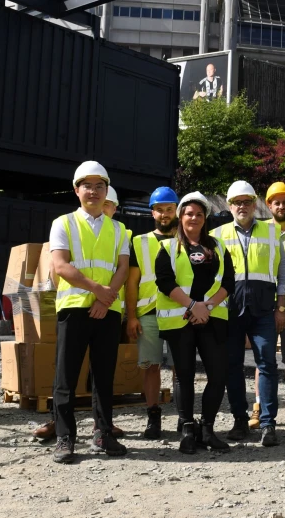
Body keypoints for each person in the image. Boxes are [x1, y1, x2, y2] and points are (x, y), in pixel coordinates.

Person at [48, 161, 130, 464]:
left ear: (106, 191)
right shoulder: (63, 223)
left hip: (107, 311)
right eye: (87, 185)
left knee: (104, 376)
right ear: (76, 190)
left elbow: (122, 268)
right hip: (74, 308)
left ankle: (103, 432)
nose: (93, 191)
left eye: (99, 186)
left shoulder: (120, 229)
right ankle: (65, 437)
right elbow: (61, 266)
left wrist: (104, 300)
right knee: (65, 375)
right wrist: (98, 290)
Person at [154, 192, 234, 454]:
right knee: (184, 376)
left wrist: (206, 307)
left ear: (205, 218)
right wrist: (192, 305)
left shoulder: (219, 247)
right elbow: (165, 282)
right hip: (181, 320)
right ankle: (188, 430)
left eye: (199, 214)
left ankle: (207, 430)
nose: (194, 218)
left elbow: (228, 283)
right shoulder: (167, 247)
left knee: (218, 375)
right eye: (189, 213)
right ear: (180, 216)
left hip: (211, 319)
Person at [215, 181, 285, 448]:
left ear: (255, 203)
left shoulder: (272, 232)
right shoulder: (217, 235)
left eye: (247, 201)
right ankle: (240, 420)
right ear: (229, 205)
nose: (242, 206)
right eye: (237, 202)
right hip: (230, 311)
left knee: (267, 365)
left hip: (263, 311)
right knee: (232, 366)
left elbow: (284, 274)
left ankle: (268, 424)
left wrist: (280, 308)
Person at [248, 182, 285, 432]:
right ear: (268, 205)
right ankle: (259, 406)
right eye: (276, 202)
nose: (281, 206)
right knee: (264, 360)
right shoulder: (259, 231)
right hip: (264, 305)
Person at [125, 186, 180, 440]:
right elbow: (132, 282)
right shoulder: (139, 242)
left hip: (180, 312)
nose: (165, 214)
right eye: (160, 210)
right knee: (151, 366)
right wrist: (132, 316)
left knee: (182, 367)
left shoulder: (186, 241)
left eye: (170, 209)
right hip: (149, 313)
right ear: (152, 213)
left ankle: (184, 417)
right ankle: (153, 417)